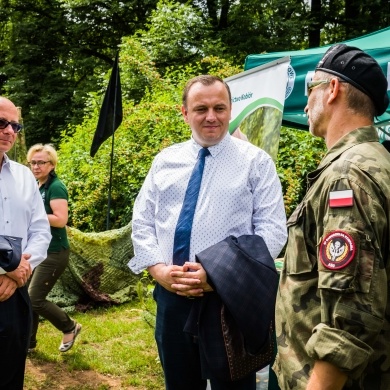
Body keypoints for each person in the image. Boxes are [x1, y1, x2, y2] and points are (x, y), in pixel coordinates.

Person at [129, 75, 287, 389]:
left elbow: (273, 232)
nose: (211, 116)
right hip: (172, 297)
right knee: (179, 383)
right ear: (185, 113)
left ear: (230, 110)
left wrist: (216, 275)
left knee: (234, 385)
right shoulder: (165, 161)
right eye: (201, 108)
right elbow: (142, 221)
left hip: (229, 301)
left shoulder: (256, 162)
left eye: (219, 107)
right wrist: (158, 270)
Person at [273, 44, 390, 389]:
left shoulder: (348, 176)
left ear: (333, 89)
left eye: (311, 90)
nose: (307, 104)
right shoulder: (376, 161)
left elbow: (350, 316)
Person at [0, 97, 51, 389]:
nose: (9, 130)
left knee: (10, 373)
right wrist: (5, 268)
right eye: (1, 123)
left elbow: (40, 229)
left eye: (15, 125)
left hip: (15, 291)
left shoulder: (23, 176)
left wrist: (22, 267)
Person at [26, 144, 81, 353]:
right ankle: (28, 343)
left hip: (54, 251)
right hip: (37, 250)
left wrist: (32, 216)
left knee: (34, 299)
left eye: (41, 162)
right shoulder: (39, 186)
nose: (36, 166)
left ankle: (70, 326)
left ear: (52, 165)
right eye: (33, 162)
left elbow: (61, 219)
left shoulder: (56, 186)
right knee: (26, 297)